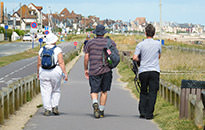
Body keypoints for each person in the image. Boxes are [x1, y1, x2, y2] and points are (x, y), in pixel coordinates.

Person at [84, 24, 116, 118]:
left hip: (93, 70)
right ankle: (101, 111)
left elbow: (86, 57)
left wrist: (86, 69)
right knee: (104, 91)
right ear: (103, 33)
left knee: (94, 90)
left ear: (95, 33)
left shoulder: (90, 43)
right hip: (106, 70)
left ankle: (95, 103)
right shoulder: (109, 42)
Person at [133, 24, 161, 120]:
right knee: (153, 92)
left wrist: (140, 61)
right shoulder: (158, 44)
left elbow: (135, 57)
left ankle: (142, 112)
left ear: (145, 33)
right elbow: (159, 56)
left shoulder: (140, 45)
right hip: (154, 70)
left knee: (143, 91)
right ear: (154, 33)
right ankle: (149, 114)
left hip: (143, 70)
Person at [37, 33, 68, 116]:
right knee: (56, 89)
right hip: (55, 71)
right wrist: (65, 73)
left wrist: (38, 73)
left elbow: (39, 63)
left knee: (45, 91)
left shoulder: (41, 50)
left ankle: (47, 109)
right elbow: (61, 62)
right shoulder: (57, 50)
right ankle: (55, 106)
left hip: (43, 71)